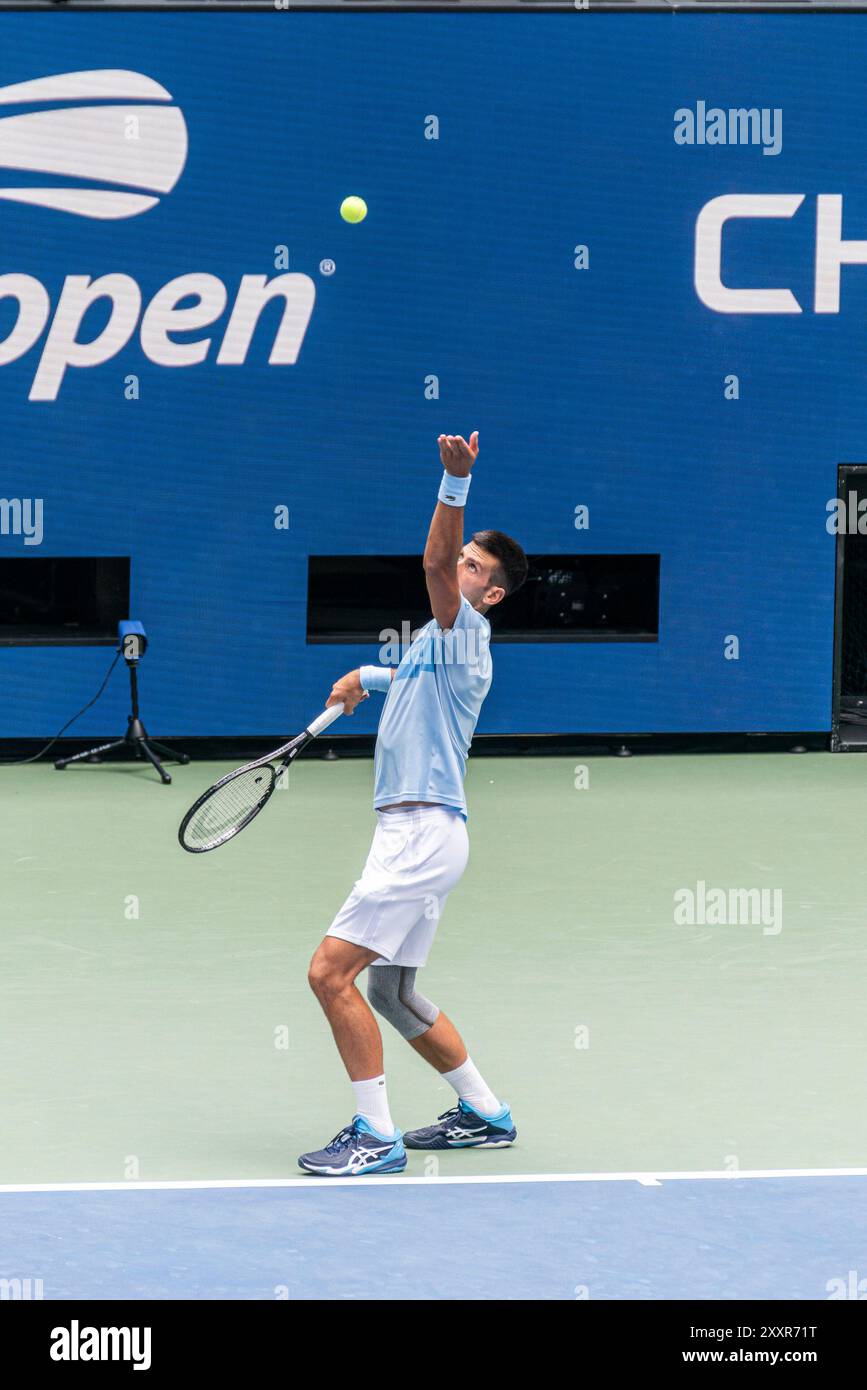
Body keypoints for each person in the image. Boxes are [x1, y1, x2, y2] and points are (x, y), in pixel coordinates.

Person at [298, 432, 528, 1176]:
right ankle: (484, 1110)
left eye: (473, 567)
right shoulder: (438, 644)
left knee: (328, 975)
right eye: (464, 559)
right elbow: (409, 676)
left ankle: (375, 1134)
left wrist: (452, 482)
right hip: (426, 832)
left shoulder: (468, 630)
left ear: (488, 593)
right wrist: (364, 674)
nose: (456, 567)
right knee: (390, 991)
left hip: (419, 834)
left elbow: (431, 561)